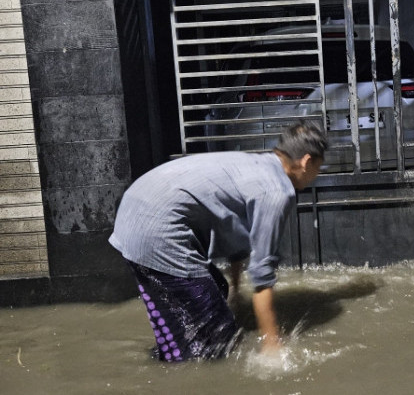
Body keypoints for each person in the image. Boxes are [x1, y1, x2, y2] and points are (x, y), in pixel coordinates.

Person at [109, 123, 328, 361]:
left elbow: (241, 237)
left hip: (134, 214)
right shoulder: (277, 191)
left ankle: (171, 352)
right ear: (306, 162)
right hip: (155, 230)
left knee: (216, 293)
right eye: (319, 166)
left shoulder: (257, 163)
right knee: (218, 338)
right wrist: (271, 343)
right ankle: (177, 368)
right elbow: (262, 274)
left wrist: (234, 291)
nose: (317, 174)